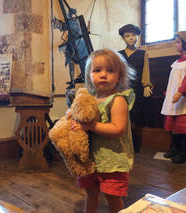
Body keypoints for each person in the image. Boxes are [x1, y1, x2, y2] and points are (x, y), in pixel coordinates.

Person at [68, 48, 135, 213]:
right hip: (91, 159)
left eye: (110, 71)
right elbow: (79, 113)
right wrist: (72, 114)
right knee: (91, 193)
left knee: (113, 196)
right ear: (90, 75)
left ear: (119, 76)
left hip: (112, 160)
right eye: (97, 70)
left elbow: (117, 129)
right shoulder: (90, 99)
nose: (103, 74)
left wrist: (90, 126)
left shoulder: (118, 100)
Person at [118, 24, 153, 153]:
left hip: (136, 90)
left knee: (134, 117)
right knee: (121, 115)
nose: (131, 38)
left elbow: (146, 71)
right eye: (127, 36)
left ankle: (133, 144)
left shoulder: (142, 54)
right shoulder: (118, 54)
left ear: (137, 36)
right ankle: (122, 143)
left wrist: (146, 85)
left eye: (133, 35)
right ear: (123, 38)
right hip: (121, 90)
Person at [161, 31, 186, 164]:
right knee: (174, 126)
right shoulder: (177, 61)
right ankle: (175, 149)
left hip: (183, 99)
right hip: (174, 98)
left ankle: (183, 152)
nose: (175, 44)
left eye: (178, 42)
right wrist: (169, 92)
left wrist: (181, 91)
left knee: (183, 127)